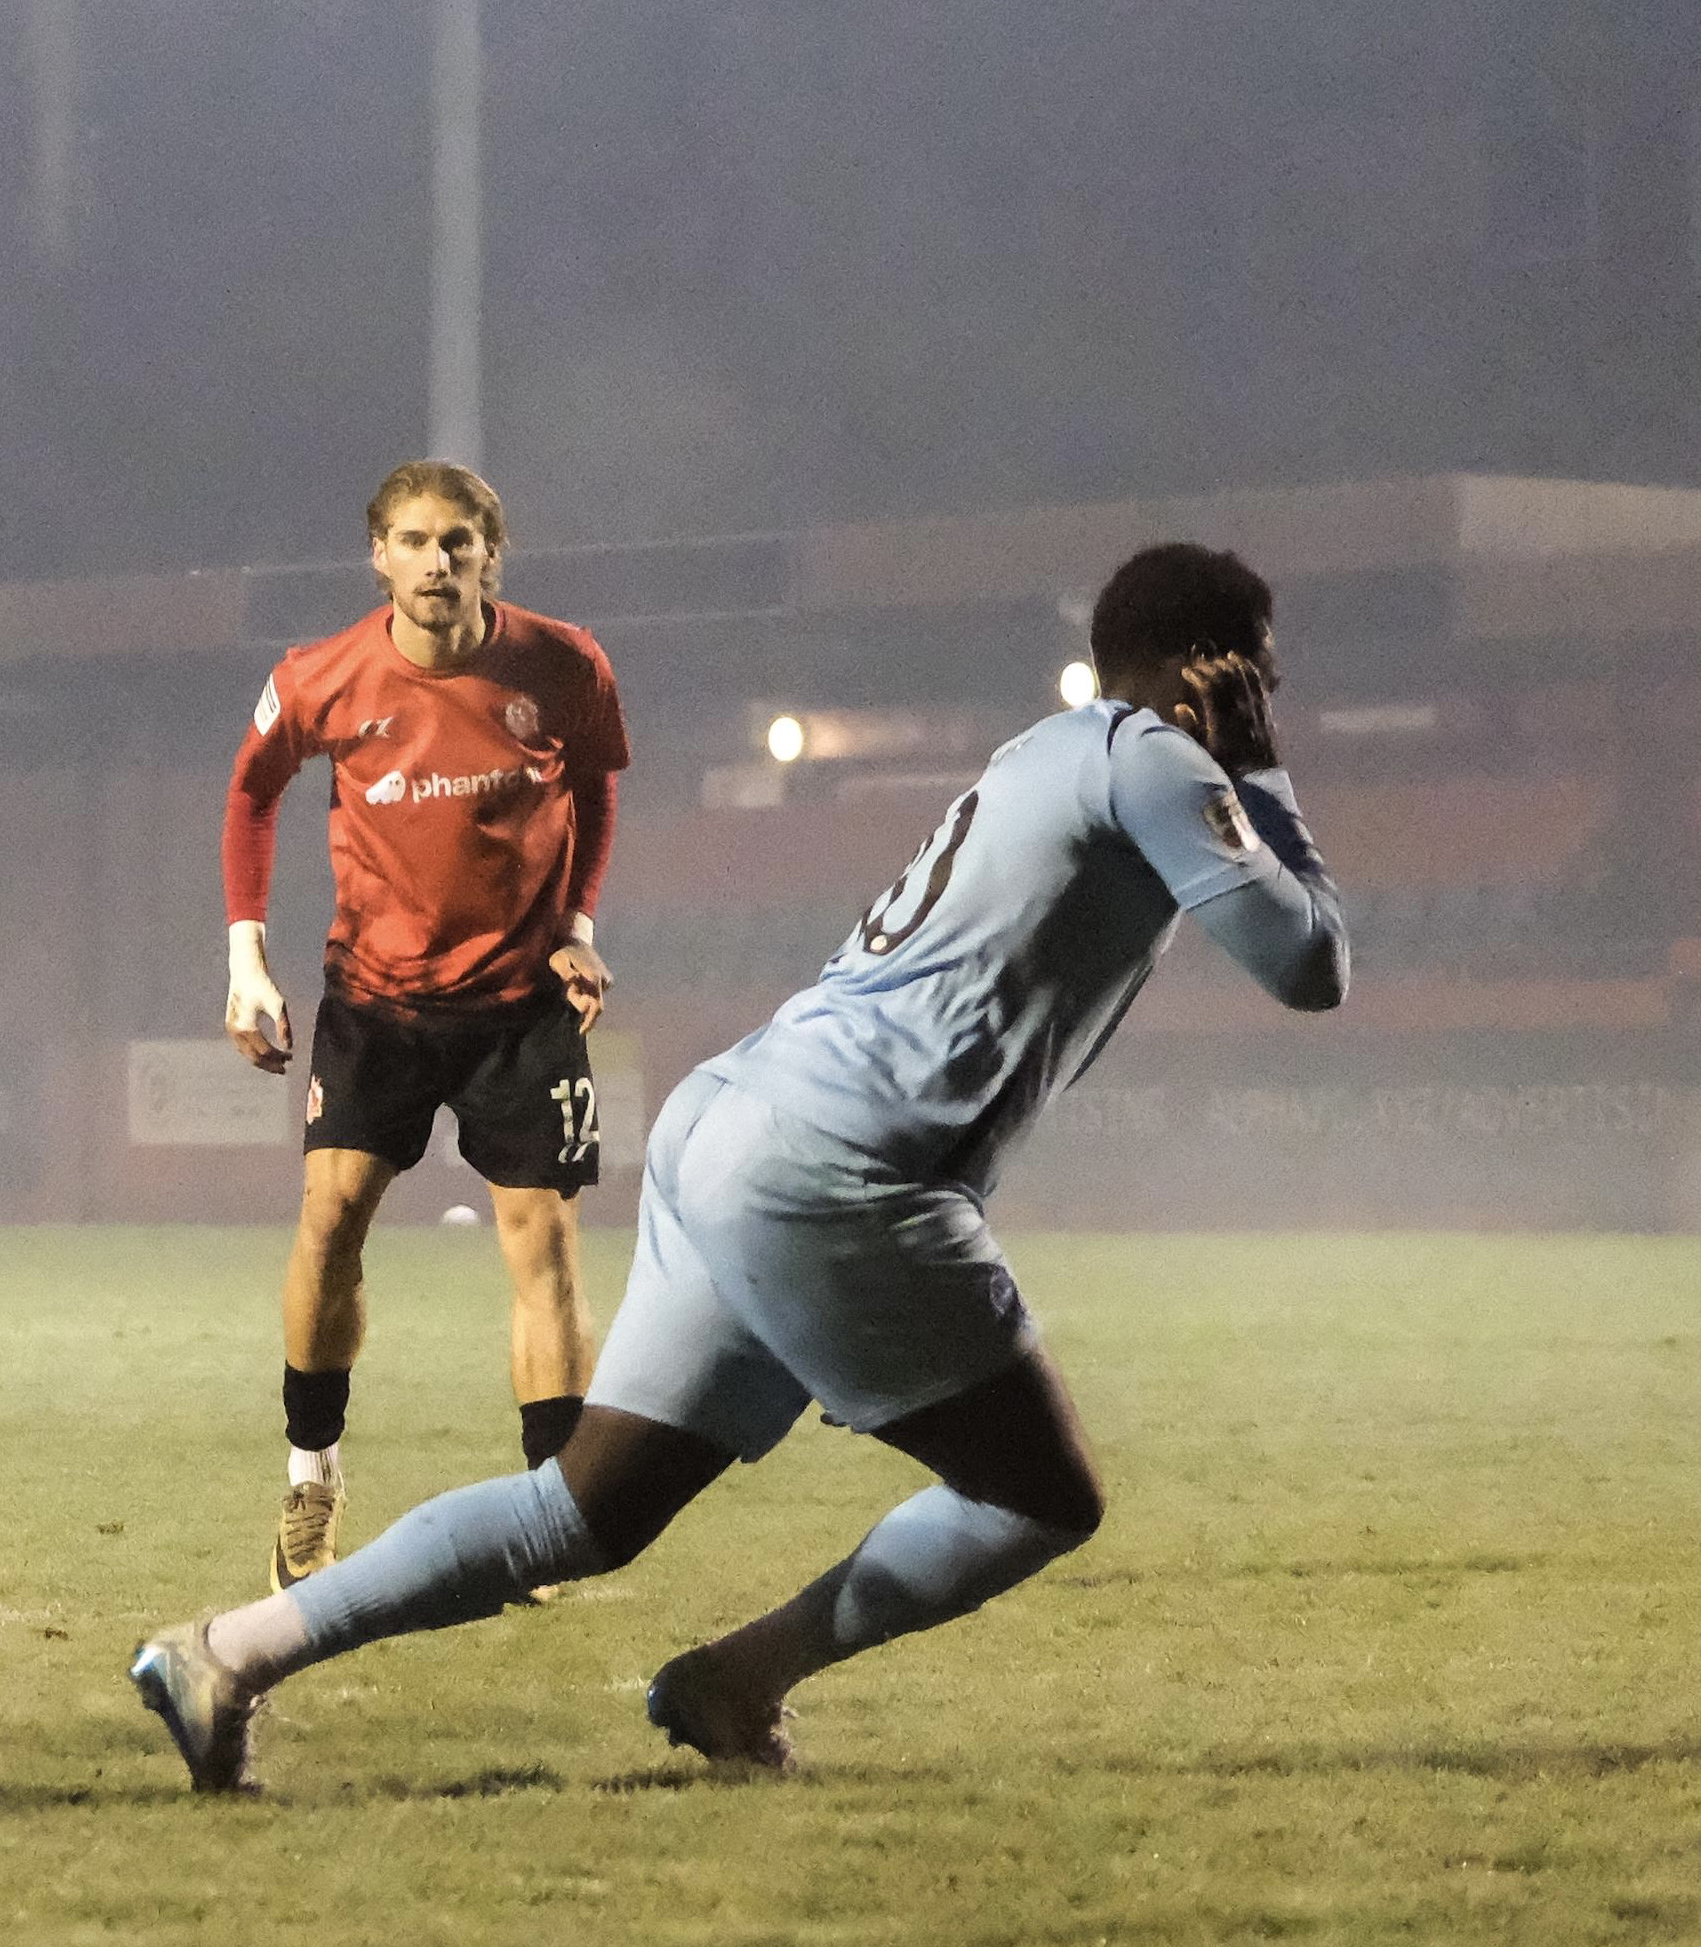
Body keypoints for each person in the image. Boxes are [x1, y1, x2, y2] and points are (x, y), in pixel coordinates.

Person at [135, 541, 1347, 1791]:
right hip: (843, 1168)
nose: (1268, 699)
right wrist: (1259, 770)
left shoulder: (1041, 751)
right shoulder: (1156, 759)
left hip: (735, 1118)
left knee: (577, 1517)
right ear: (1221, 668)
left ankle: (225, 1651)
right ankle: (739, 1678)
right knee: (1037, 1497)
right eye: (1262, 674)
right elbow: (1311, 968)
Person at [221, 460, 629, 1590]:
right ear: (378, 556)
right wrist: (245, 958)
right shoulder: (320, 677)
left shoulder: (563, 664)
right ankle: (312, 1474)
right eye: (413, 540)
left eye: (457, 541)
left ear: (491, 555)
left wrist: (580, 923)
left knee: (541, 1243)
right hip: (377, 1002)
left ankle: (551, 1516)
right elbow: (252, 789)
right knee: (330, 1220)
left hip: (519, 1004)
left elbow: (594, 788)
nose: (436, 561)